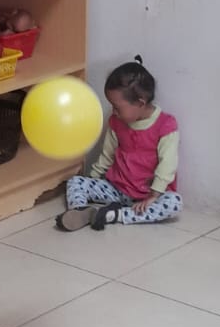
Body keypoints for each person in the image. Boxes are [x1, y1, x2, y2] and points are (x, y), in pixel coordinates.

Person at [56, 57, 181, 231]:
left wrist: (154, 195)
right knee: (75, 182)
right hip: (117, 189)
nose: (113, 111)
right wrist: (93, 178)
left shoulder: (165, 125)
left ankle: (114, 215)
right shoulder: (116, 122)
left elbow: (168, 164)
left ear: (140, 103)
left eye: (117, 107)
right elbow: (107, 155)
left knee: (174, 203)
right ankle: (81, 212)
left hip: (148, 195)